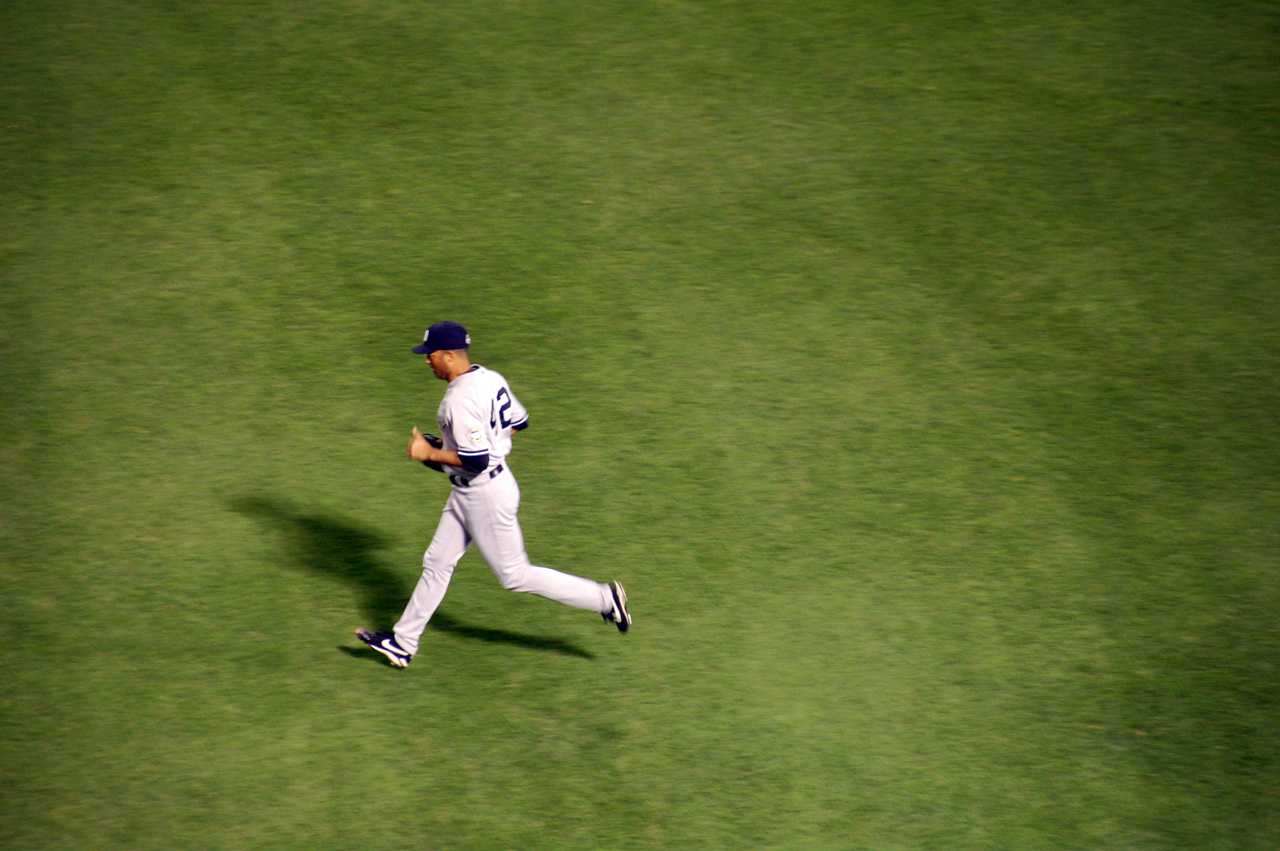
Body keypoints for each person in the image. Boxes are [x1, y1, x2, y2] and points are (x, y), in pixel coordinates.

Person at [357, 321, 631, 668]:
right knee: (437, 563)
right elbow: (519, 421)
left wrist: (430, 453)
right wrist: (459, 445)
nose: (427, 361)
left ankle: (605, 599)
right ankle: (402, 642)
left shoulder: (458, 400)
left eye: (431, 356)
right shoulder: (490, 378)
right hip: (477, 491)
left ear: (451, 355)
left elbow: (476, 460)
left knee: (515, 575)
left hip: (485, 495)